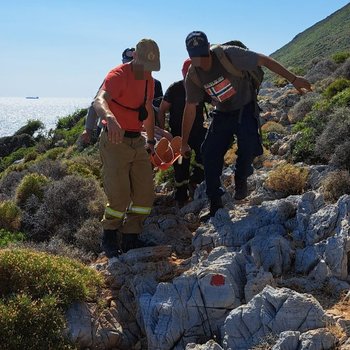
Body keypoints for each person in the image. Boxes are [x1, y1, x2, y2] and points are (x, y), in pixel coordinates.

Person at [181, 31, 312, 219]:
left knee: (249, 145)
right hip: (222, 113)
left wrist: (293, 79)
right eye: (195, 56)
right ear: (189, 55)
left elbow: (264, 61)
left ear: (209, 47)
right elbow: (190, 108)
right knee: (208, 152)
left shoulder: (229, 54)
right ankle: (215, 203)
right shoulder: (193, 76)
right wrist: (184, 142)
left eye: (203, 53)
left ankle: (241, 177)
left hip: (245, 106)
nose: (200, 60)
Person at [93, 39, 160, 260]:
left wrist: (150, 141)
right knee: (119, 196)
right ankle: (110, 235)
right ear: (136, 59)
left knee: (145, 193)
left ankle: (132, 236)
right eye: (145, 66)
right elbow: (99, 100)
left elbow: (147, 110)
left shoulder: (148, 80)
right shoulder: (118, 75)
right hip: (115, 142)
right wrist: (109, 117)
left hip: (137, 141)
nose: (148, 72)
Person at [158, 58, 209, 206]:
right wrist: (163, 132)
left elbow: (214, 101)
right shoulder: (175, 89)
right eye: (188, 73)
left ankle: (196, 180)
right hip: (178, 136)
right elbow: (162, 110)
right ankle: (181, 195)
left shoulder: (201, 88)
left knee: (206, 152)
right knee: (181, 165)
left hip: (198, 131)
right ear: (183, 73)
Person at [81, 48, 136, 145]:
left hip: (135, 132)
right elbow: (97, 102)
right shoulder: (114, 78)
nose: (129, 65)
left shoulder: (148, 81)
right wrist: (88, 129)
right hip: (110, 130)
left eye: (132, 62)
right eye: (127, 62)